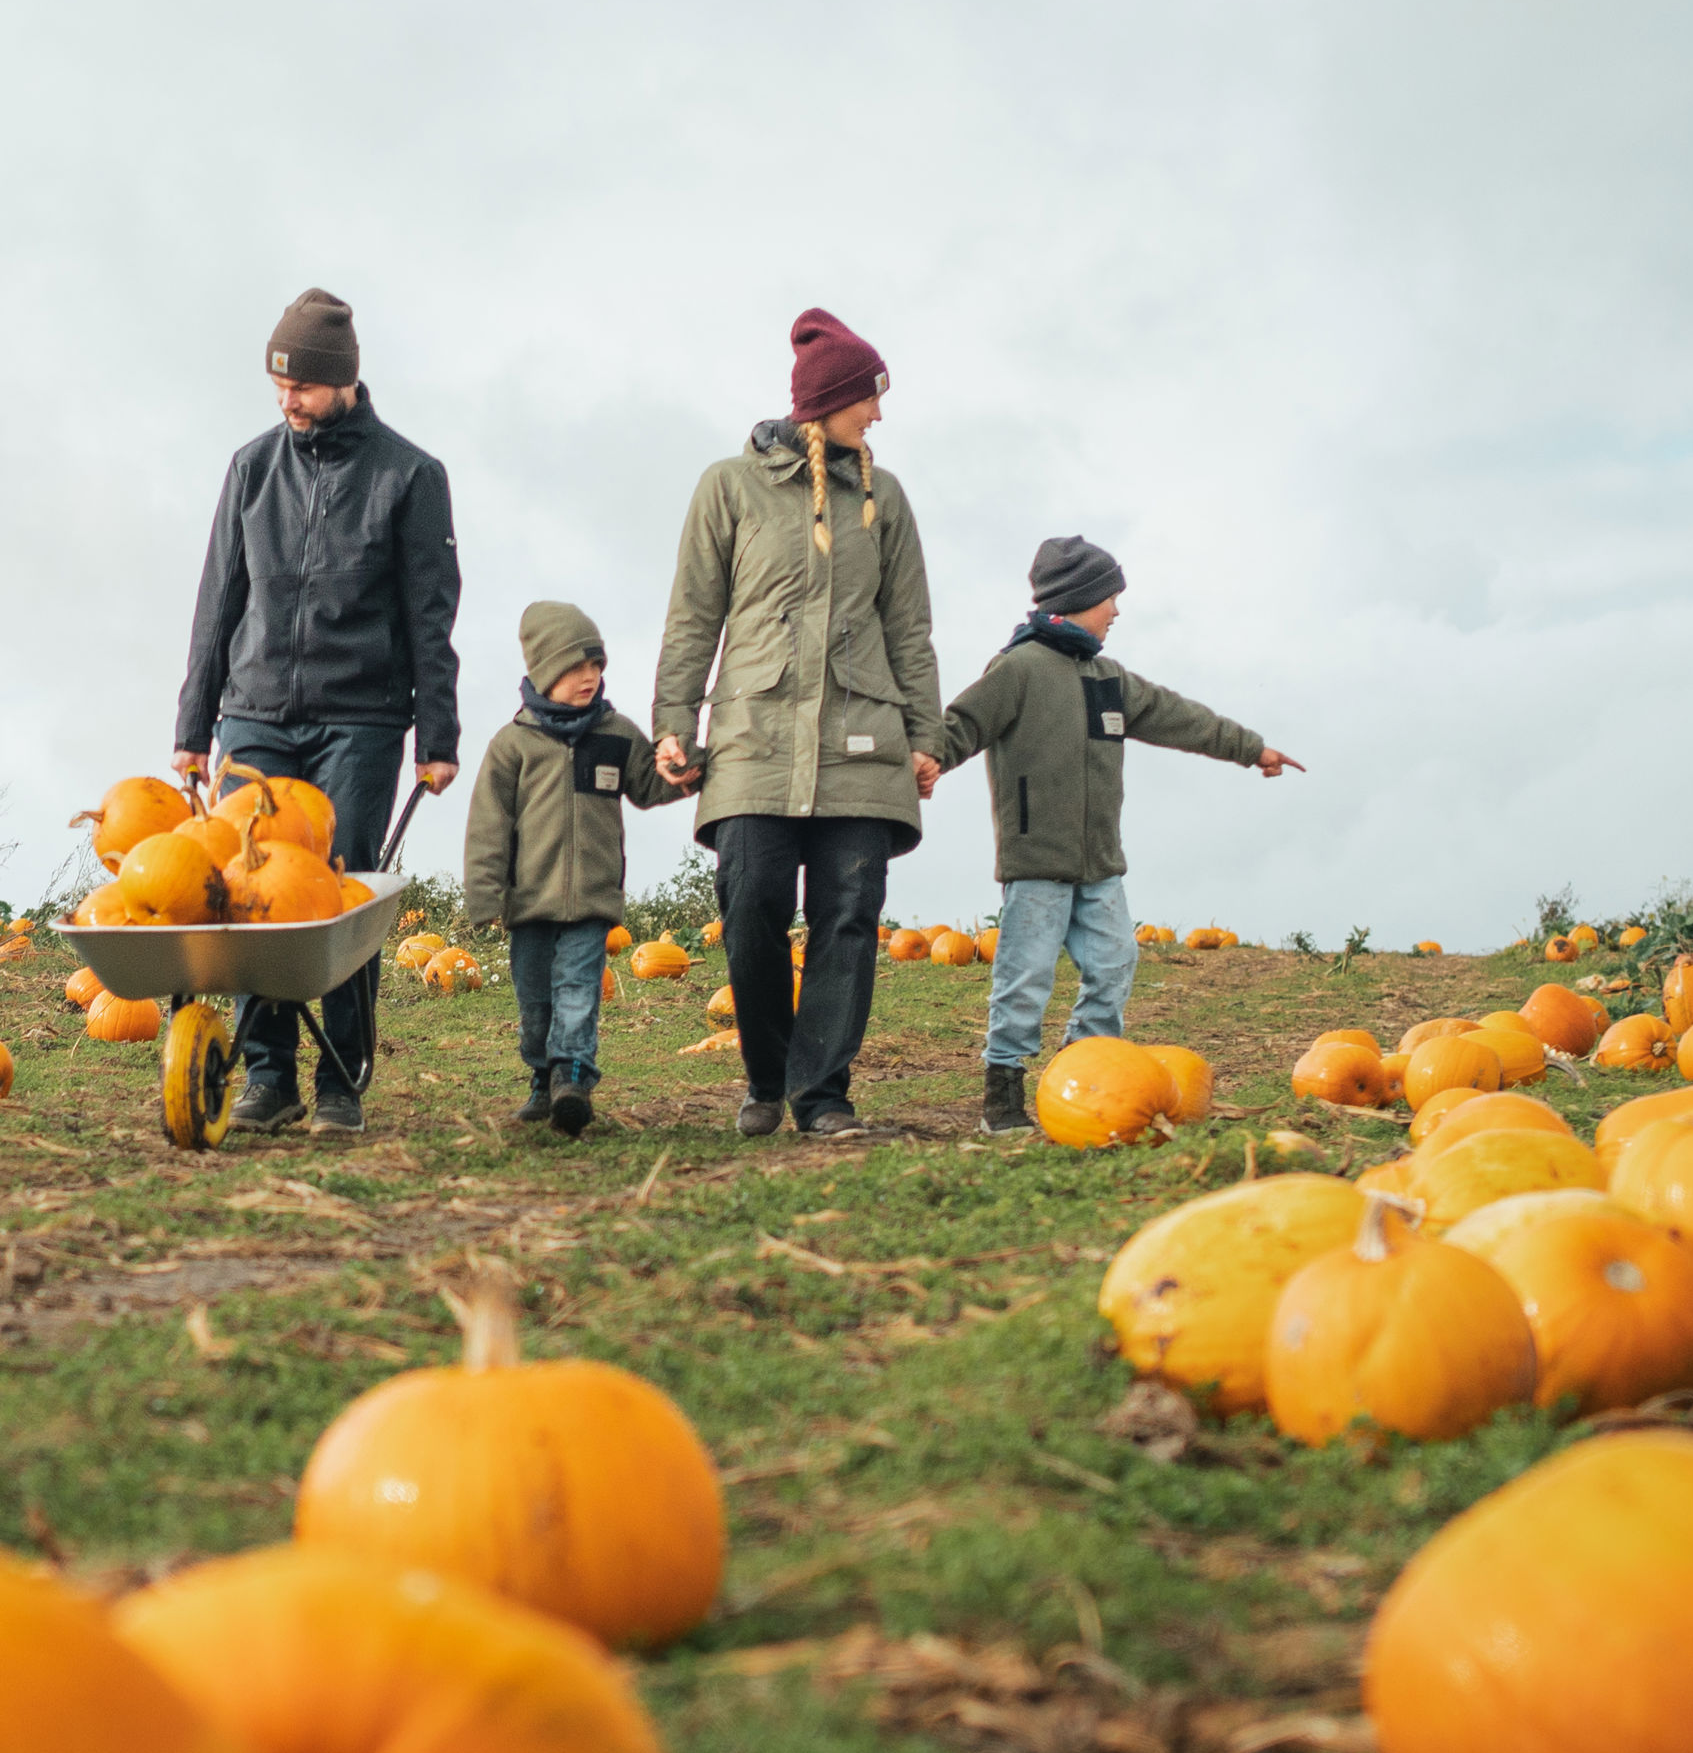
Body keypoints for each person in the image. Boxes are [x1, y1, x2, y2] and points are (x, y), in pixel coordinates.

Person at [172, 287, 462, 1134]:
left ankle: (340, 1081)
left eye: (299, 386)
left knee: (342, 896)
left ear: (343, 381)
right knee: (250, 892)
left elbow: (430, 616)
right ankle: (268, 1079)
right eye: (278, 386)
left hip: (360, 719)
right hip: (254, 713)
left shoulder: (410, 476)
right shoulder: (251, 469)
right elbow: (217, 601)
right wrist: (194, 727)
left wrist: (438, 735)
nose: (286, 401)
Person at [650, 310, 945, 1140]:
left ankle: (823, 1096)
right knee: (752, 907)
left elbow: (909, 629)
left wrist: (927, 736)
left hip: (863, 739)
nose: (878, 415)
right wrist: (674, 721)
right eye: (868, 399)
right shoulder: (729, 487)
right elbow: (693, 616)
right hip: (754, 740)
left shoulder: (886, 499)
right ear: (826, 401)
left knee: (848, 916)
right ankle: (767, 1076)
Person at [932, 533, 1302, 1133]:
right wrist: (927, 761)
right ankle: (1003, 1093)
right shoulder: (1018, 669)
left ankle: (1084, 1072)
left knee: (1114, 963)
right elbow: (961, 725)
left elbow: (1179, 717)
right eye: (1110, 598)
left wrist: (1250, 748)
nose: (1116, 611)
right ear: (1079, 599)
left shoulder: (1108, 678)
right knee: (1024, 979)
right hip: (1038, 863)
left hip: (1100, 865)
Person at [464, 600, 690, 1135]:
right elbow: (488, 826)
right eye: (575, 667)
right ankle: (544, 1082)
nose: (589, 677)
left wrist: (683, 773)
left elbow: (649, 785)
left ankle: (572, 1078)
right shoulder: (512, 745)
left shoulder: (616, 733)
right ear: (545, 672)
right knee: (535, 1004)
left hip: (591, 899)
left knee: (577, 991)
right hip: (529, 903)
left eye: (596, 665)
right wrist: (484, 895)